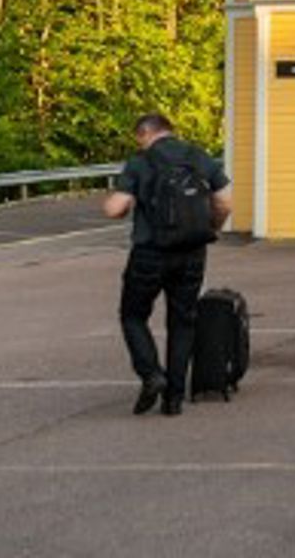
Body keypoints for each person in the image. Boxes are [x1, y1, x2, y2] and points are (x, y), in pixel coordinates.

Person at [103, 113, 231, 416]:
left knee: (133, 315)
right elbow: (225, 201)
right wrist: (212, 227)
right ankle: (173, 398)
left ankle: (151, 374)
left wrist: (114, 204)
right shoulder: (198, 156)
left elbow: (115, 209)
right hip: (192, 252)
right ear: (170, 131)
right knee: (182, 321)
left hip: (150, 253)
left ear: (145, 133)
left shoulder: (140, 162)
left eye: (139, 138)